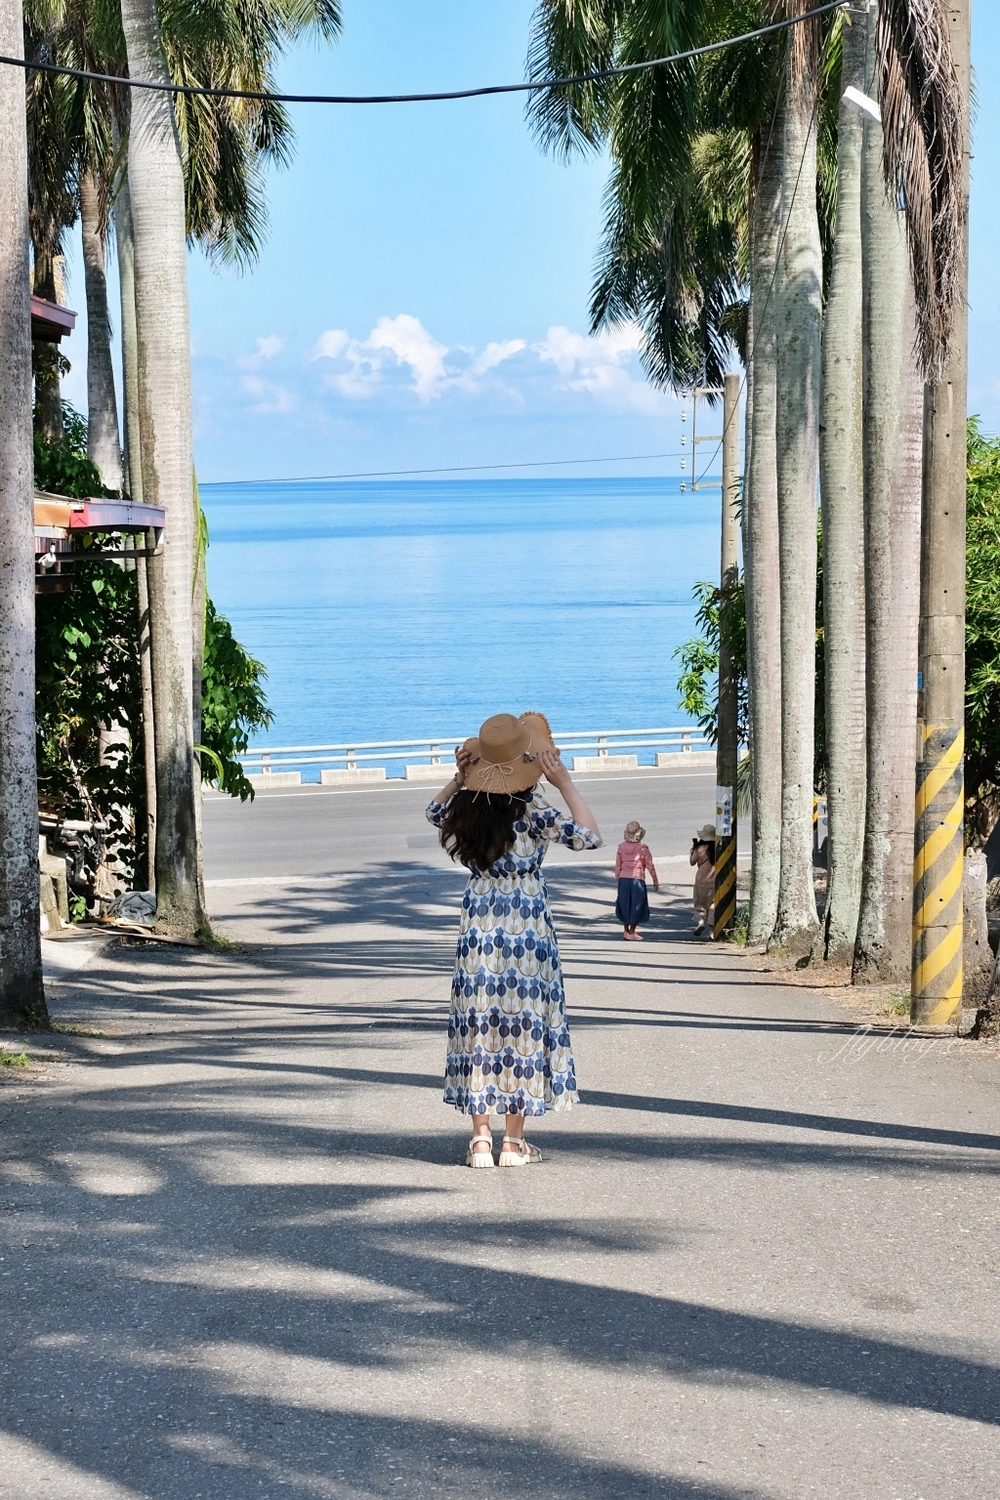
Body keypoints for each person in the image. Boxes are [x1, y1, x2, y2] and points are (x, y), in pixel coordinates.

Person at [427, 712, 602, 1169]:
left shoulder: (466, 807)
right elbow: (590, 837)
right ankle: (513, 1142)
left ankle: (480, 1140)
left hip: (479, 923)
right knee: (522, 1027)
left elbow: (432, 811)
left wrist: (459, 778)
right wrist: (564, 783)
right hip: (526, 924)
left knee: (479, 1026)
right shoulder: (534, 810)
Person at [614, 821, 659, 940]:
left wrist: (618, 877)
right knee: (636, 905)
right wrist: (655, 880)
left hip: (623, 878)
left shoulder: (621, 847)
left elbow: (618, 864)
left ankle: (626, 930)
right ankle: (632, 932)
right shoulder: (643, 848)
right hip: (637, 879)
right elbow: (650, 865)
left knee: (624, 903)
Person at [690, 823, 717, 936]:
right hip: (714, 882)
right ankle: (712, 930)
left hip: (700, 881)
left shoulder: (699, 848)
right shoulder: (717, 848)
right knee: (713, 905)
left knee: (700, 904)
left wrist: (693, 850)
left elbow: (692, 862)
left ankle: (701, 921)